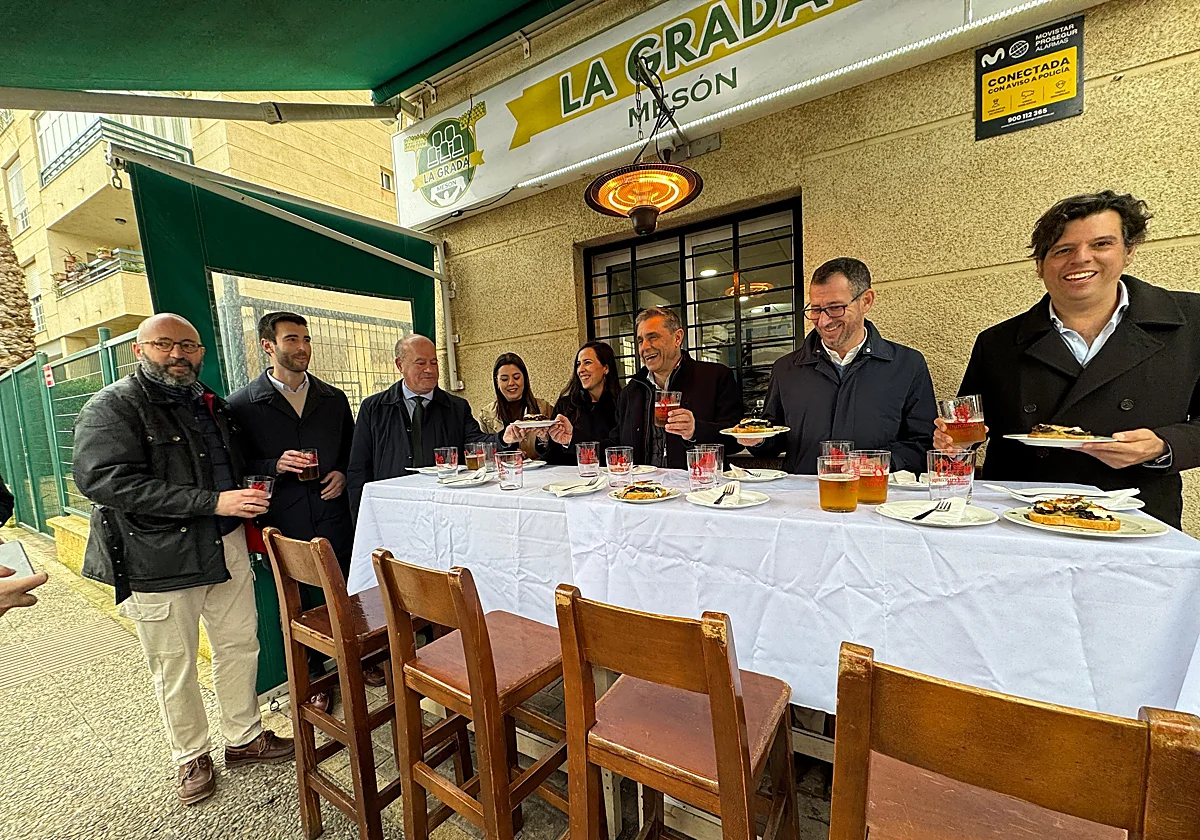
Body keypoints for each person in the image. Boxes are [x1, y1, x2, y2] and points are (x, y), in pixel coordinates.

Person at [72, 313, 293, 806]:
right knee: (175, 664)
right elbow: (103, 481)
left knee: (240, 644)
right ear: (139, 350)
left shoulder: (208, 403)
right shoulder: (114, 405)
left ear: (200, 353)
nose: (178, 354)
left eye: (189, 346)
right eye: (164, 344)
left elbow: (230, 467)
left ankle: (243, 736)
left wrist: (267, 470)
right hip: (159, 557)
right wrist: (213, 503)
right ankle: (191, 755)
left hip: (225, 544)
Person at [937, 191, 1200, 528]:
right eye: (1063, 250)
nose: (1081, 258)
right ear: (1040, 265)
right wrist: (951, 442)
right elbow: (967, 431)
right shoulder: (997, 342)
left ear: (1129, 250)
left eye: (1101, 244)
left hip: (1134, 517)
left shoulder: (1190, 322)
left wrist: (1164, 446)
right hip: (1019, 517)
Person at [227, 311, 356, 713]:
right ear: (268, 345)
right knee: (296, 604)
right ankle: (314, 677)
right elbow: (234, 467)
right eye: (292, 339)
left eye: (306, 339)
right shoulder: (240, 405)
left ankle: (359, 660)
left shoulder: (334, 399)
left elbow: (353, 451)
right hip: (284, 522)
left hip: (334, 516)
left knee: (345, 592)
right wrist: (274, 465)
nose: (302, 348)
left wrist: (342, 474)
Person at [737, 258, 936, 473]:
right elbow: (774, 439)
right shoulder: (785, 368)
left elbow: (923, 444)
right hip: (803, 492)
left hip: (875, 491)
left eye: (835, 308)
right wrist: (758, 440)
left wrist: (883, 462)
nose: (823, 321)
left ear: (866, 301)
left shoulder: (908, 364)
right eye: (816, 309)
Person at [348, 333, 503, 515]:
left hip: (444, 507)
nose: (429, 369)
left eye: (434, 362)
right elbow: (358, 469)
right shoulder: (374, 408)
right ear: (400, 365)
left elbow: (476, 443)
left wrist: (504, 439)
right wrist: (361, 517)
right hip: (391, 507)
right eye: (420, 363)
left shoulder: (456, 407)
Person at [606, 306, 742, 469]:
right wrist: (578, 442)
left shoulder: (716, 377)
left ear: (677, 338)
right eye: (640, 341)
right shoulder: (630, 392)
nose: (644, 347)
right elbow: (616, 444)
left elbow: (737, 439)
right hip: (643, 484)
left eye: (653, 337)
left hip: (699, 483)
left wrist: (695, 430)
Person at [545, 341, 622, 465]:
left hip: (611, 474)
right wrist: (543, 438)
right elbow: (551, 456)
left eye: (587, 362)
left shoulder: (622, 403)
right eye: (578, 364)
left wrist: (573, 439)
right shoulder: (565, 405)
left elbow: (619, 448)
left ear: (606, 368)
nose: (581, 369)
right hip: (570, 476)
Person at [478, 352, 556, 460]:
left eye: (516, 377)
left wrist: (544, 440)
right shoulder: (486, 415)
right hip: (503, 469)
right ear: (497, 382)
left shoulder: (544, 408)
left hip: (541, 469)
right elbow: (483, 453)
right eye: (504, 379)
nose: (511, 383)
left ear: (525, 378)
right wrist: (507, 455)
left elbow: (558, 451)